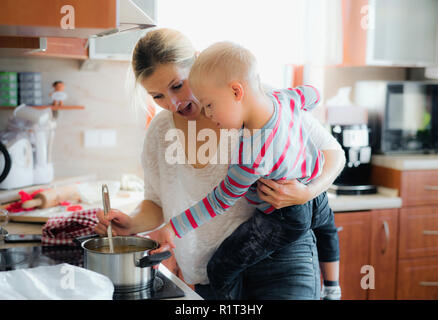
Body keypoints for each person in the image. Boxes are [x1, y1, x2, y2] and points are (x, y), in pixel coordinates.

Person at [94, 28, 346, 300]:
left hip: (279, 263)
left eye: (177, 86)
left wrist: (308, 191)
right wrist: (131, 223)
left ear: (198, 63)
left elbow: (334, 154)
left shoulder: (258, 103)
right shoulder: (159, 132)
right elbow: (156, 203)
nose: (173, 103)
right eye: (158, 96)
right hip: (211, 274)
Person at [158, 41, 341, 300]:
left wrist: (175, 227)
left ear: (236, 91)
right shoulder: (284, 99)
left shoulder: (252, 155)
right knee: (328, 233)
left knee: (219, 267)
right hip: (316, 196)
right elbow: (312, 94)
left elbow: (220, 200)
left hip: (282, 217)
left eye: (209, 104)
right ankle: (333, 290)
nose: (208, 114)